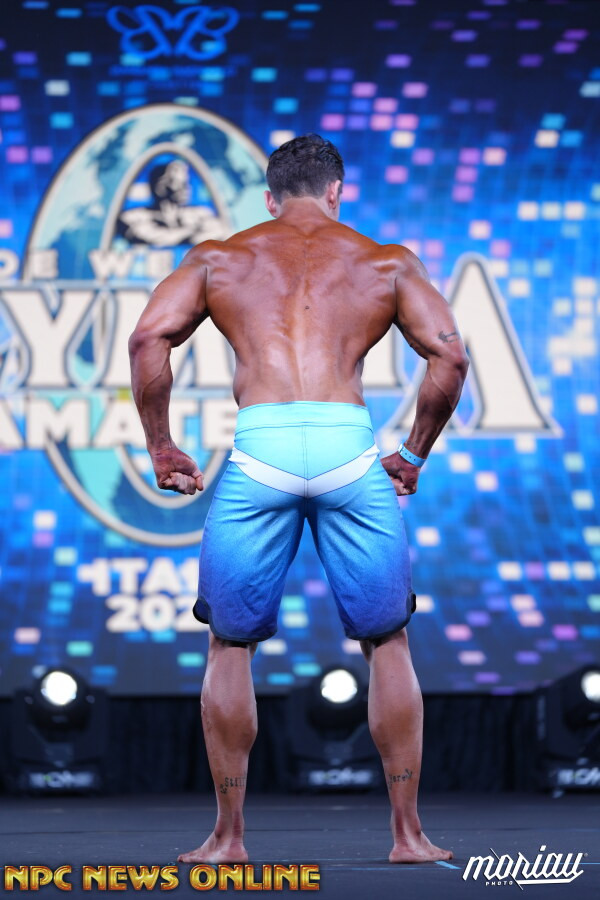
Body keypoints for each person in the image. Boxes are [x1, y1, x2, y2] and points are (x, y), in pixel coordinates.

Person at [129, 133, 469, 865]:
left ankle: (228, 839)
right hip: (349, 449)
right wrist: (413, 454)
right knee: (387, 641)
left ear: (270, 198)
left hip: (262, 450)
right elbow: (451, 354)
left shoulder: (220, 257)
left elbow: (148, 337)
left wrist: (161, 446)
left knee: (230, 645)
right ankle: (408, 836)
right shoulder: (386, 262)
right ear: (337, 192)